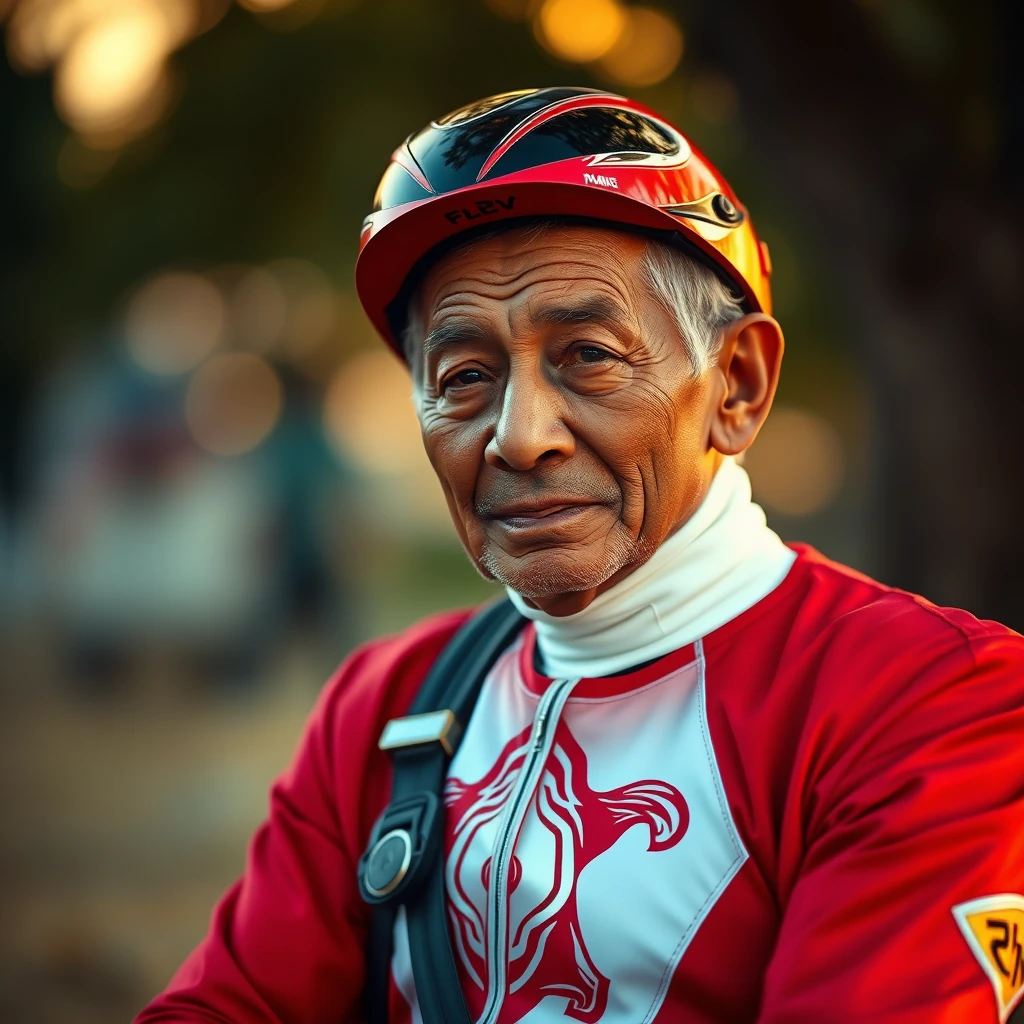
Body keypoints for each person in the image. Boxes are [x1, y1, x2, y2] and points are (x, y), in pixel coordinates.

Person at [136, 87, 1024, 1024]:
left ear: (739, 385)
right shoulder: (384, 707)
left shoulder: (931, 706)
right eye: (465, 376)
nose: (518, 438)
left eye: (589, 355)